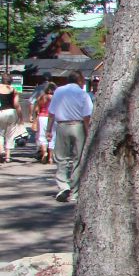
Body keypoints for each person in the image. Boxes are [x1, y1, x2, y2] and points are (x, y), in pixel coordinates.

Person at [45, 71, 94, 202]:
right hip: (78, 126)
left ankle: (63, 186)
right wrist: (88, 132)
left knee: (61, 158)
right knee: (78, 159)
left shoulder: (59, 91)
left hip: (62, 125)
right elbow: (87, 116)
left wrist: (49, 130)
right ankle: (75, 192)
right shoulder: (83, 94)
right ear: (80, 81)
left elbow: (51, 112)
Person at [0, 72, 22, 164]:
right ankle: (8, 157)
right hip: (12, 113)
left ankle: (1, 150)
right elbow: (17, 105)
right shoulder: (14, 90)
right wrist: (21, 117)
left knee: (0, 133)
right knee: (10, 135)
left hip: (1, 112)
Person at [32, 83, 56, 164]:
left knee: (42, 136)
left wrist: (34, 120)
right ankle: (51, 158)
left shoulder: (41, 97)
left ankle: (44, 152)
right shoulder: (55, 97)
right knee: (52, 136)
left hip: (42, 117)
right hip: (52, 118)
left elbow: (36, 110)